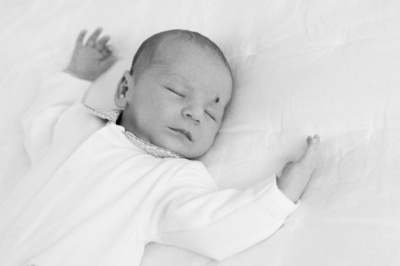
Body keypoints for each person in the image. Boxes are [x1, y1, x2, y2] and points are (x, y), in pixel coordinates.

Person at [0, 27, 321, 266]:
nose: (195, 112)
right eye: (178, 92)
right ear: (125, 88)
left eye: (212, 112)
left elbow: (213, 226)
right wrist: (75, 75)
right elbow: (42, 120)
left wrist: (280, 194)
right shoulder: (81, 124)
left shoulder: (172, 177)